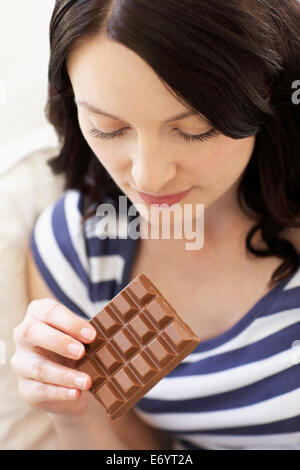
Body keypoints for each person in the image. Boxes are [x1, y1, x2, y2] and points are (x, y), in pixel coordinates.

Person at [10, 0, 300, 450]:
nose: (147, 178)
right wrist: (73, 410)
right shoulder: (76, 251)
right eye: (107, 128)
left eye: (195, 129)